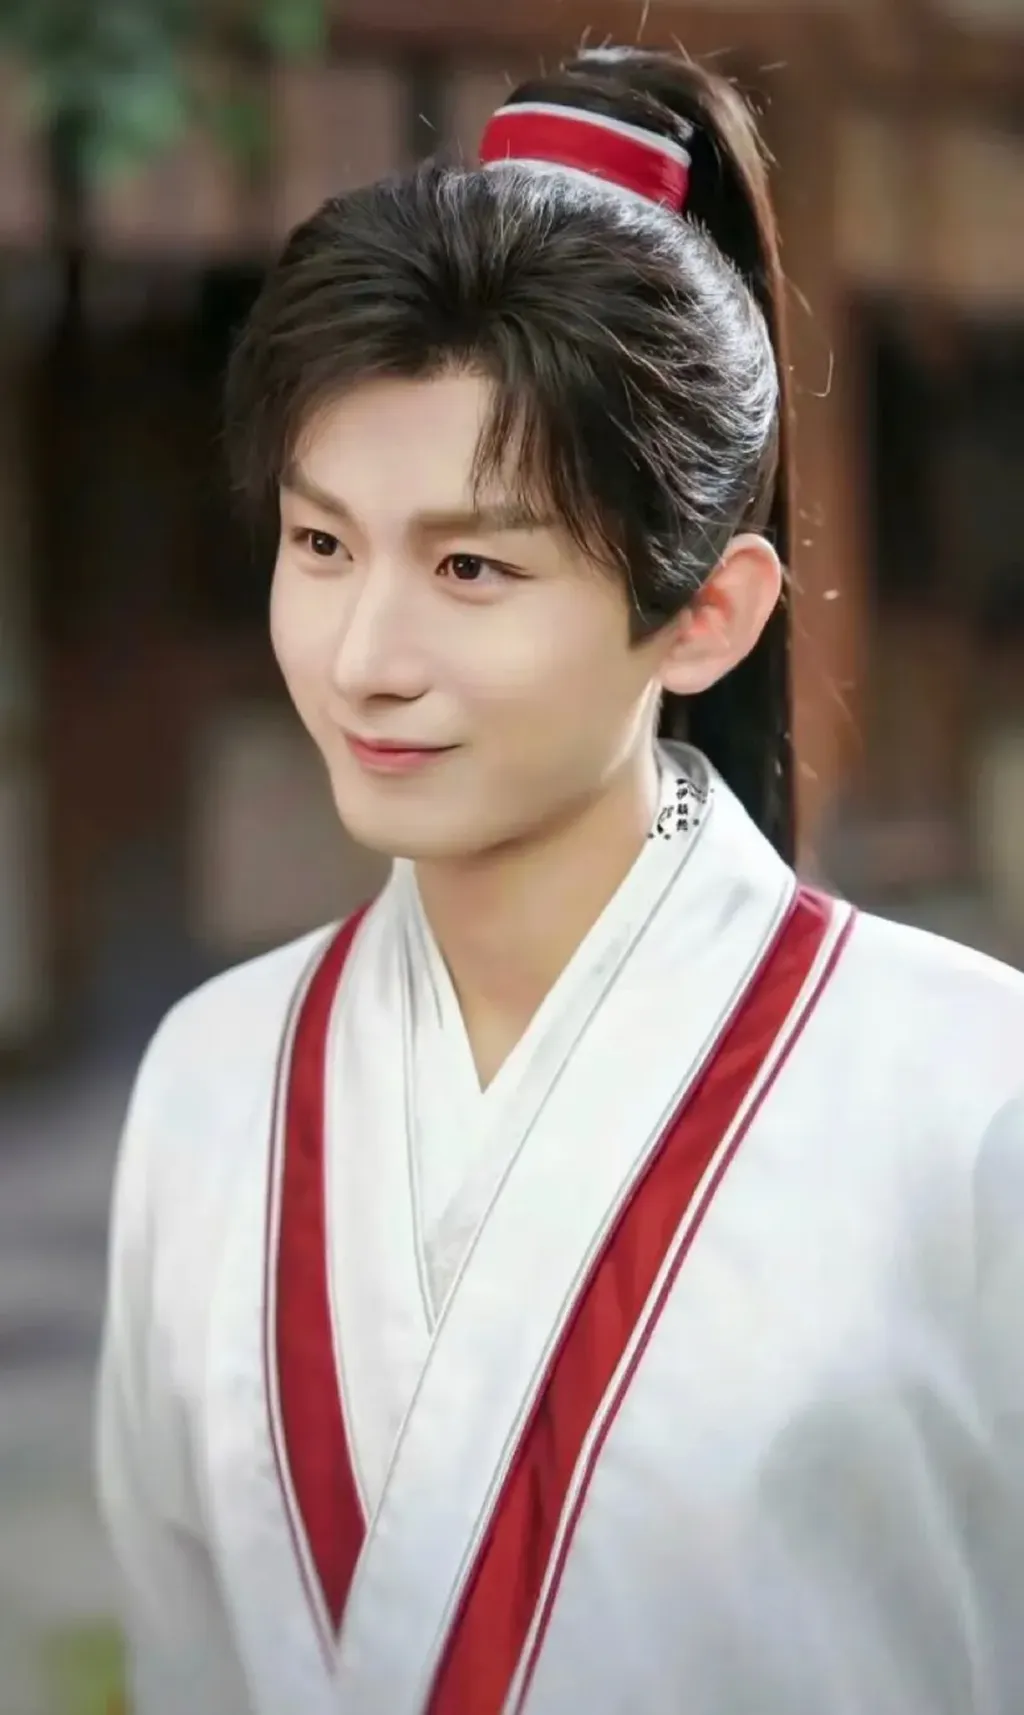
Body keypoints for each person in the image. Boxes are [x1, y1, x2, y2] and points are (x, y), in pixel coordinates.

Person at [96, 44, 1024, 1715]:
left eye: (471, 565)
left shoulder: (971, 1098)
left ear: (706, 614)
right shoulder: (211, 1083)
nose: (365, 657)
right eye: (321, 544)